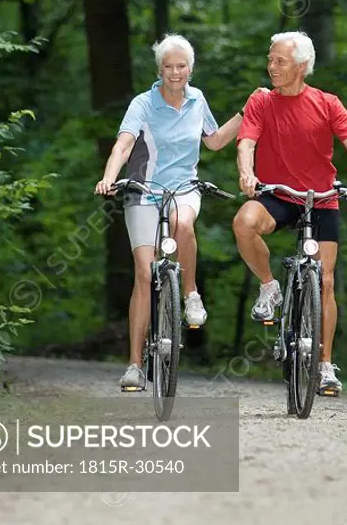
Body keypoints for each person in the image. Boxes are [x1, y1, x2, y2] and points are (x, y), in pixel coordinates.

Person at [95, 33, 253, 393]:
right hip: (143, 191)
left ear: (191, 69)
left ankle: (190, 294)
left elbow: (213, 141)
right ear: (159, 69)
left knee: (183, 222)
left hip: (184, 190)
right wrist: (109, 178)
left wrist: (246, 112)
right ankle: (135, 364)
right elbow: (123, 144)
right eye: (168, 66)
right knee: (142, 274)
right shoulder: (143, 103)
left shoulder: (197, 100)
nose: (175, 72)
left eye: (181, 66)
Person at [232, 30, 347, 397]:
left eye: (279, 60)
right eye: (270, 59)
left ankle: (325, 364)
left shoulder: (327, 103)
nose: (271, 66)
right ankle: (269, 285)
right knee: (244, 222)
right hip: (278, 195)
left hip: (321, 199)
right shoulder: (262, 102)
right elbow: (246, 143)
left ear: (301, 66)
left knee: (325, 280)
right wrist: (247, 173)